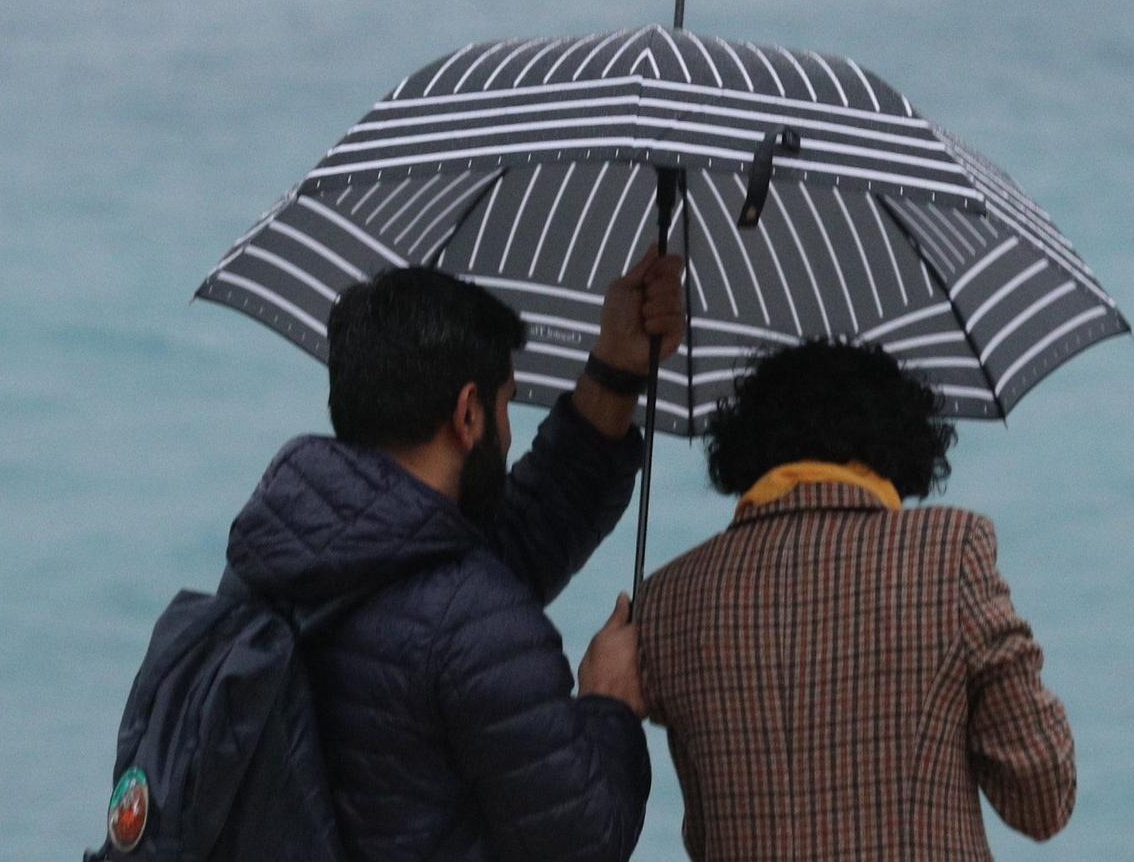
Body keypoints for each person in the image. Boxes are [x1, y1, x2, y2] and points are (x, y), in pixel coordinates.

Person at [225, 250, 685, 862]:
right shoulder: (469, 617)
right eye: (505, 404)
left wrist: (617, 372)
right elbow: (585, 839)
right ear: (469, 413)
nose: (507, 425)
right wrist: (610, 705)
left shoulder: (277, 555)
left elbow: (512, 543)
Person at [637, 340, 1077, 861]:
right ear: (902, 439)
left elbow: (703, 836)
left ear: (744, 446)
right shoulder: (948, 552)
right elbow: (1042, 799)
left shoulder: (665, 601)